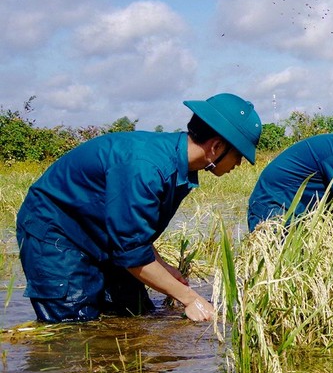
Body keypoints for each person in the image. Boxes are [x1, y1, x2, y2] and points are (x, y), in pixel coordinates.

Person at [16, 93, 262, 324]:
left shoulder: (177, 167)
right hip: (57, 233)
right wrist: (191, 299)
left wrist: (164, 268)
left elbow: (133, 231)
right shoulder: (147, 168)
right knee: (73, 330)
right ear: (217, 147)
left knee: (134, 312)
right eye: (239, 155)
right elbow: (131, 252)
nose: (238, 164)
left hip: (100, 234)